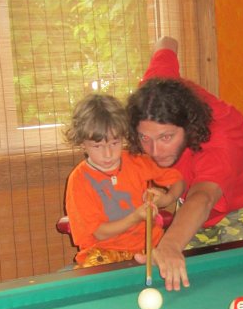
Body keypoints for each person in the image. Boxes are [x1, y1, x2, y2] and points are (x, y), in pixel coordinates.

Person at [126, 36, 243, 291]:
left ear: (189, 126)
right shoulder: (153, 96)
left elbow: (203, 197)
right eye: (145, 138)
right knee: (186, 272)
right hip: (193, 198)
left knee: (233, 280)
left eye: (166, 138)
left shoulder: (220, 139)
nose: (154, 151)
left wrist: (170, 244)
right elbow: (166, 43)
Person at [64, 94, 184, 268]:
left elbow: (178, 180)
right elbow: (99, 233)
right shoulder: (79, 180)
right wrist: (135, 217)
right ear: (82, 143)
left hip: (149, 247)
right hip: (104, 253)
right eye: (97, 146)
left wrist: (166, 199)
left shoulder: (137, 161)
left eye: (114, 143)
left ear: (123, 137)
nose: (108, 154)